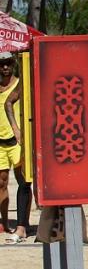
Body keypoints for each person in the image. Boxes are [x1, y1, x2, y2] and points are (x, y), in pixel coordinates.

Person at [0, 51, 32, 244]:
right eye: (1, 64)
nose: (5, 67)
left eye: (8, 63)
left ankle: (23, 223)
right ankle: (4, 222)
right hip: (0, 142)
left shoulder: (21, 84)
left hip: (18, 140)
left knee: (23, 181)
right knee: (1, 182)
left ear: (14, 65)